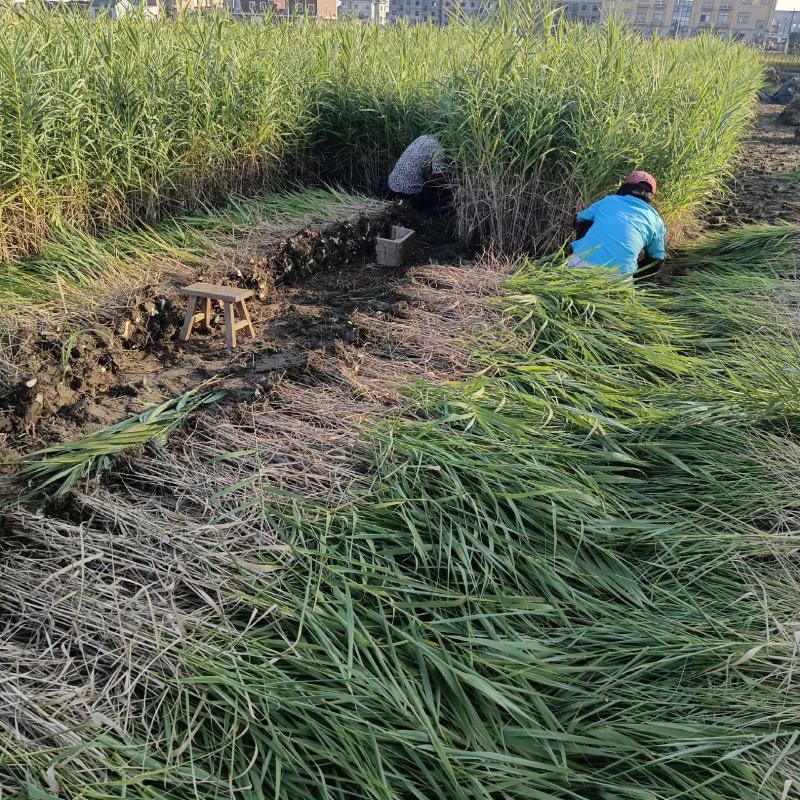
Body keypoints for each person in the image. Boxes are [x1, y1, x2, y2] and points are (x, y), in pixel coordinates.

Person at [569, 171, 666, 282]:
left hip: (577, 267)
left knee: (586, 222)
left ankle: (580, 256)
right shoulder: (656, 221)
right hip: (619, 280)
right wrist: (635, 275)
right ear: (650, 196)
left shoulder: (608, 201)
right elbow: (657, 262)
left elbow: (578, 220)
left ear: (625, 187)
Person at [387, 135, 450, 212]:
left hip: (392, 187)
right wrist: (454, 186)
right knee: (439, 187)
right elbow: (439, 176)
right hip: (408, 195)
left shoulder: (423, 138)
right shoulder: (438, 148)